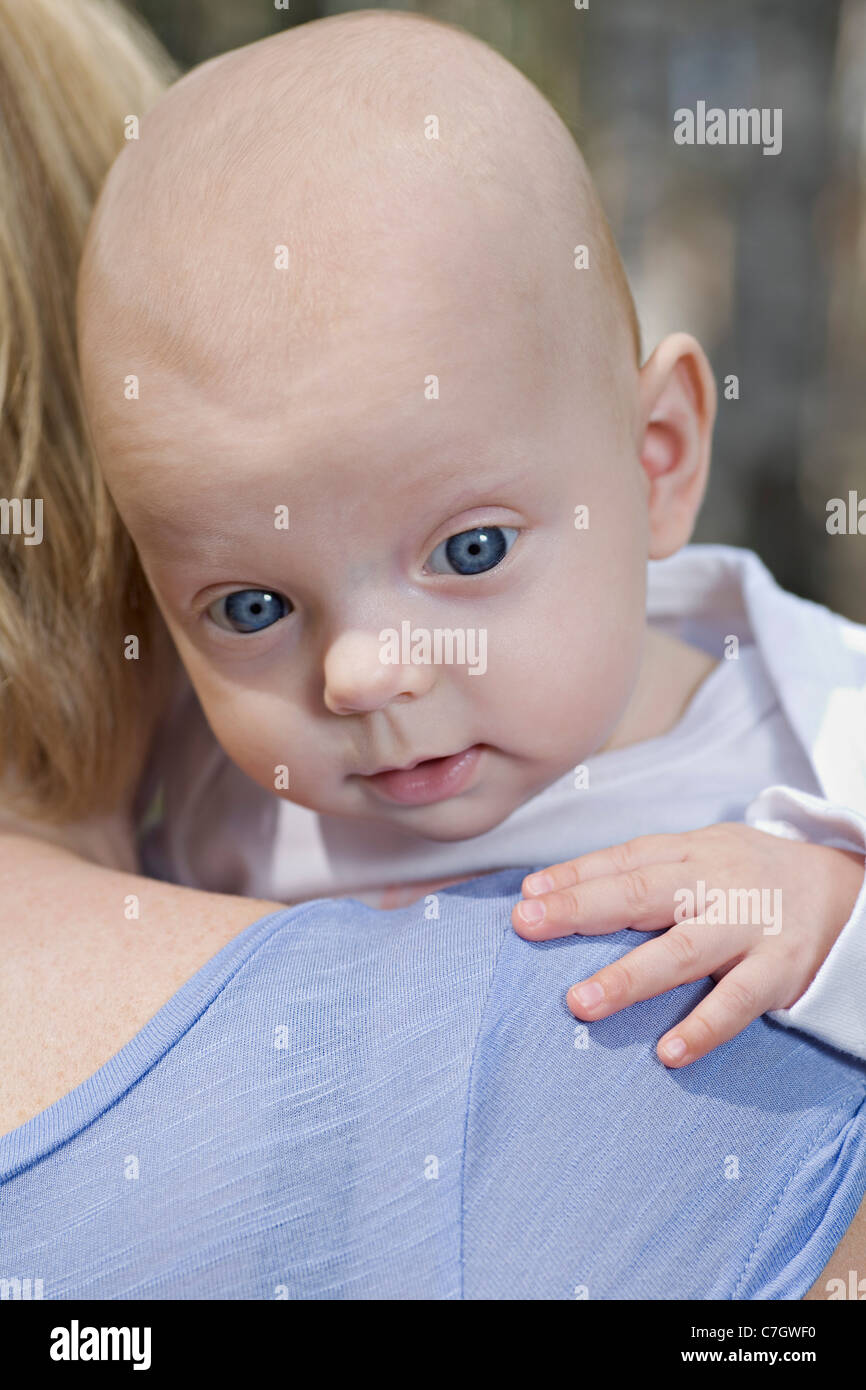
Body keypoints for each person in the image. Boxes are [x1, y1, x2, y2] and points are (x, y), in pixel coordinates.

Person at [1, 3, 864, 1299]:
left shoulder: (814, 712)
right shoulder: (217, 814)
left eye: (466, 553)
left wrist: (838, 919)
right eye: (249, 607)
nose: (360, 675)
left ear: (658, 462)